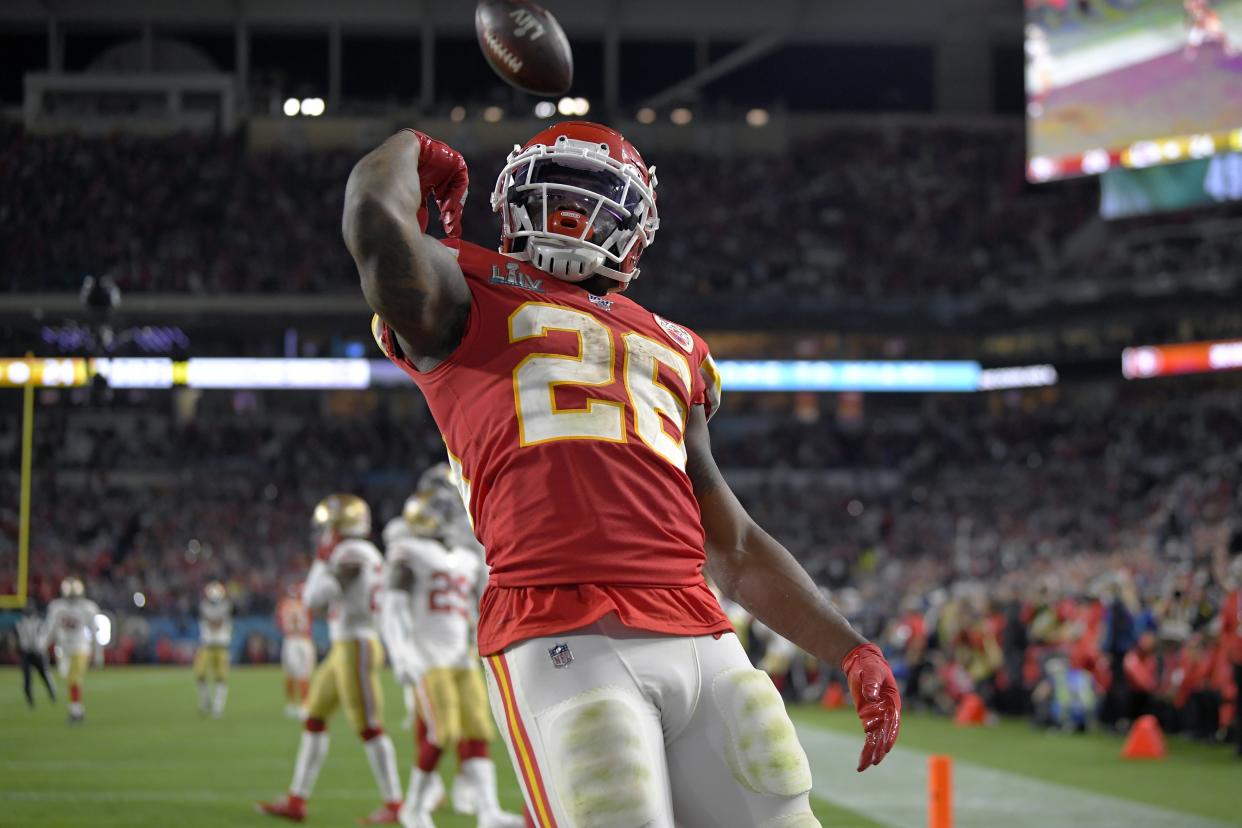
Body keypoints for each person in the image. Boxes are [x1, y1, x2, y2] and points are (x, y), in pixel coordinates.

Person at [345, 121, 900, 827]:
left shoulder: (677, 346)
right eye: (560, 189)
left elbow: (728, 543)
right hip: (559, 622)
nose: (575, 209)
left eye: (598, 193)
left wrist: (850, 650)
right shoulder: (463, 289)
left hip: (701, 632)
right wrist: (411, 146)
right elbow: (372, 215)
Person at [381, 487, 524, 828]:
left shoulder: (464, 557)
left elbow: (477, 608)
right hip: (427, 657)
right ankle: (413, 807)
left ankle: (488, 812)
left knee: (477, 729)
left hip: (460, 655)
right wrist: (401, 656)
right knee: (442, 732)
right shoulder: (409, 551)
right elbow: (394, 608)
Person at [259, 495, 404, 824]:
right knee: (314, 715)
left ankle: (395, 805)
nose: (324, 533)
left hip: (356, 644)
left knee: (369, 726)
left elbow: (315, 598)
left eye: (328, 526)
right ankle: (297, 799)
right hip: (345, 645)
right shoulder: (356, 551)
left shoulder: (351, 553)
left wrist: (321, 561)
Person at [45, 576, 100, 724]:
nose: (72, 600)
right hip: (63, 649)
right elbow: (50, 629)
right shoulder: (57, 607)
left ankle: (75, 711)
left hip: (80, 647)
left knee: (74, 678)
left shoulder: (88, 608)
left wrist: (98, 654)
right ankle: (78, 710)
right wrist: (42, 645)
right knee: (67, 677)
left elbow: (94, 633)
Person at [276, 582, 316, 718]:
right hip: (303, 640)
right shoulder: (306, 605)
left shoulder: (284, 604)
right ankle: (305, 704)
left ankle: (291, 704)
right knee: (303, 674)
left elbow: (279, 623)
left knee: (290, 673)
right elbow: (310, 619)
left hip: (289, 640)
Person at [194, 581, 233, 718]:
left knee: (221, 677)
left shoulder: (225, 605)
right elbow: (213, 621)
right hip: (207, 645)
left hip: (221, 646)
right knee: (200, 675)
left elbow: (216, 622)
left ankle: (218, 706)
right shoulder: (204, 606)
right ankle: (205, 701)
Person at [16, 603, 56, 708]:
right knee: (27, 679)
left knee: (44, 675)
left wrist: (40, 647)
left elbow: (43, 637)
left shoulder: (39, 623)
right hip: (27, 653)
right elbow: (21, 639)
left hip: (38, 653)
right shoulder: (20, 623)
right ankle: (30, 701)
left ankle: (52, 695)